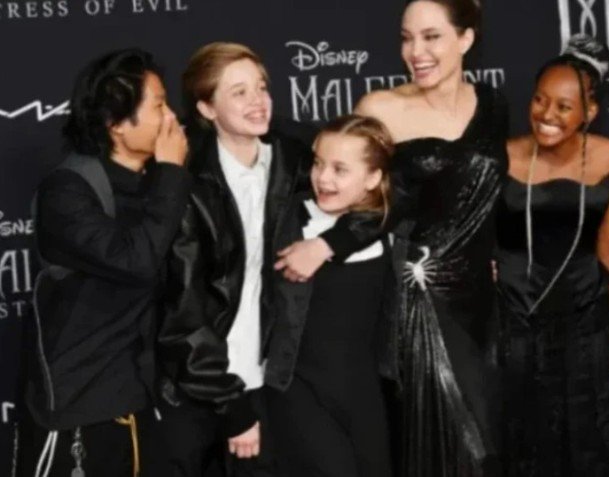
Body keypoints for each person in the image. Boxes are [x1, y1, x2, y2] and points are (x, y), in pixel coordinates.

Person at [277, 1, 509, 474]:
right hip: (416, 302)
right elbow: (369, 198)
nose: (415, 51)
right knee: (440, 444)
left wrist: (492, 254)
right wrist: (329, 244)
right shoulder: (381, 109)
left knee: (488, 444)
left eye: (431, 36)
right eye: (406, 38)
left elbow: (483, 195)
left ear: (466, 39)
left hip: (479, 305)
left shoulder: (492, 105)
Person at [156, 42, 373, 477]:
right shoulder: (186, 181)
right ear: (206, 108)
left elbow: (386, 192)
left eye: (261, 87)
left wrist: (329, 243)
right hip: (201, 387)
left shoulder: (295, 157)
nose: (258, 101)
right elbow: (183, 314)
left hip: (273, 382)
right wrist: (232, 406)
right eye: (239, 92)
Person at [19, 48, 190, 477]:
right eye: (159, 106)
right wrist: (171, 173)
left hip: (144, 402)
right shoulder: (68, 192)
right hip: (79, 409)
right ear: (115, 123)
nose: (171, 117)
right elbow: (136, 260)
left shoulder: (156, 184)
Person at [497, 35, 609, 476]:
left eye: (564, 106)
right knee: (527, 444)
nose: (547, 114)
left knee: (590, 441)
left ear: (590, 112)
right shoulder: (504, 156)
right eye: (540, 99)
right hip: (518, 326)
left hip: (587, 325)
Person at [265, 114, 394, 477]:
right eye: (318, 163)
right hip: (297, 391)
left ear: (373, 178)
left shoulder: (392, 229)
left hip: (364, 396)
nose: (323, 178)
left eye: (340, 169)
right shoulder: (285, 218)